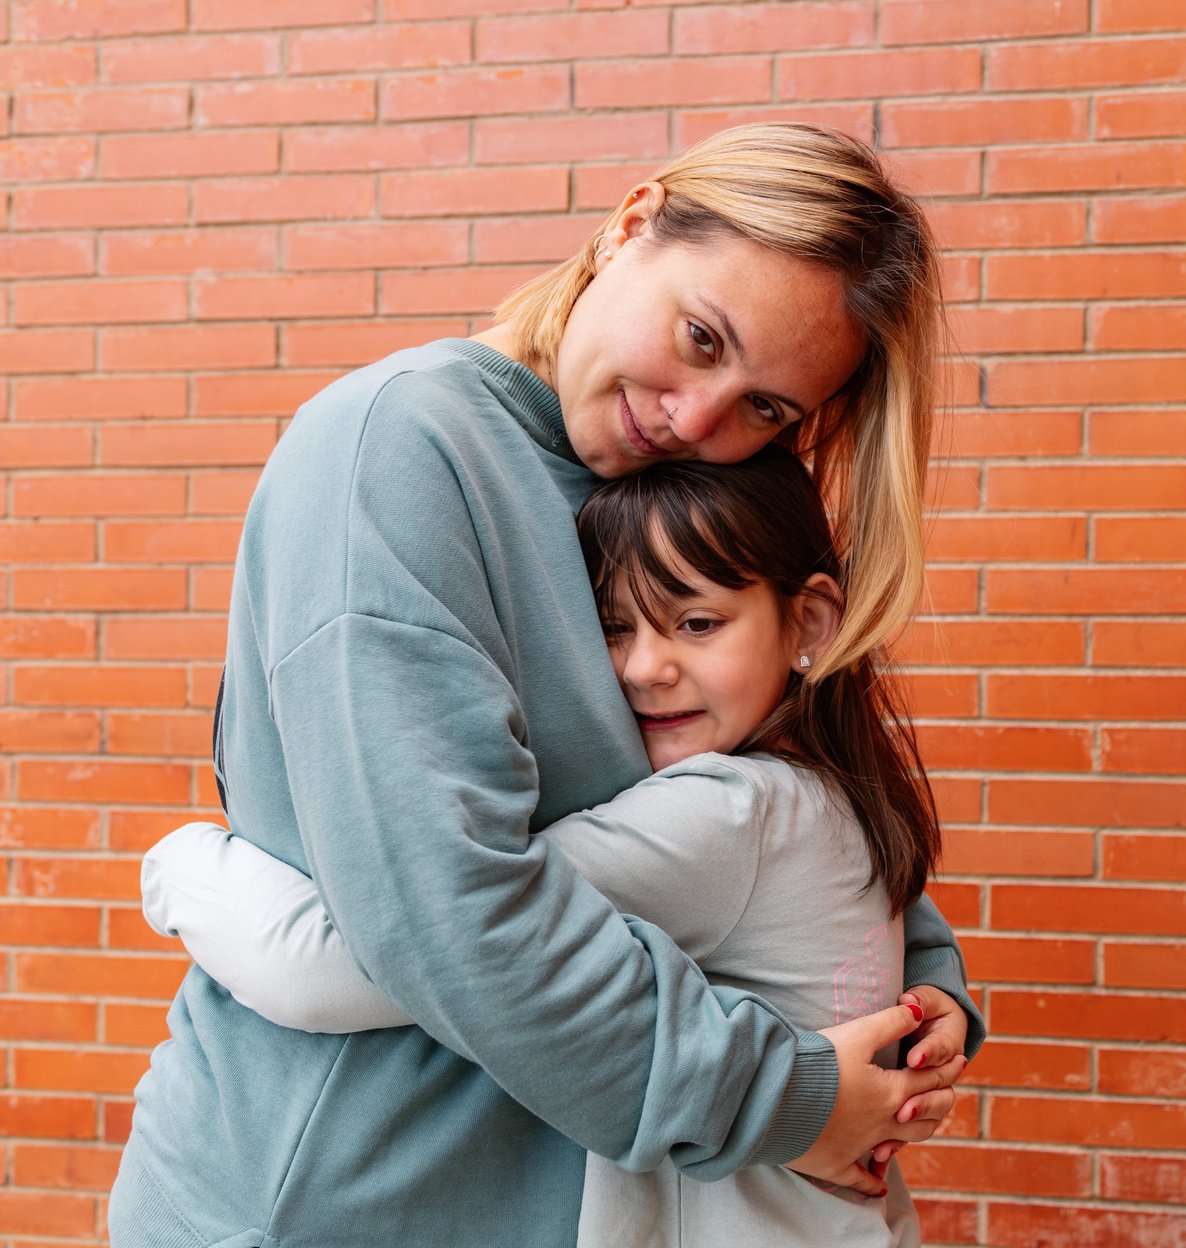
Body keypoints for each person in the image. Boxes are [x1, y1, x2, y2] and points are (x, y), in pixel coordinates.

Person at [110, 123, 982, 1248]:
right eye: (701, 336)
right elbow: (452, 912)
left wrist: (919, 990)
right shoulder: (402, 452)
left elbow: (787, 785)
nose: (701, 418)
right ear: (631, 223)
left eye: (767, 407)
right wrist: (783, 1102)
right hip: (333, 1198)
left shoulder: (660, 489)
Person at [146, 447, 942, 1247]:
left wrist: (181, 862)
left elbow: (348, 963)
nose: (645, 667)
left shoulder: (732, 816)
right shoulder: (842, 791)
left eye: (698, 623)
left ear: (809, 622)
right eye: (613, 628)